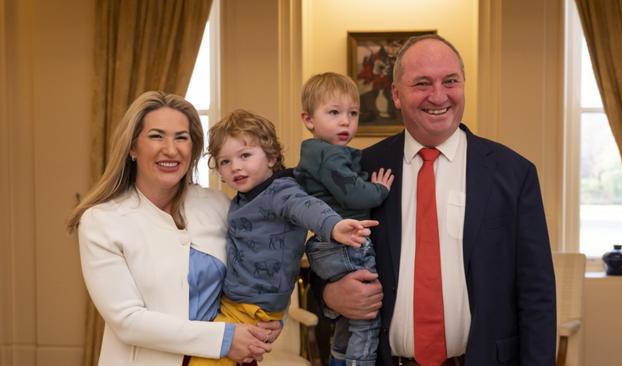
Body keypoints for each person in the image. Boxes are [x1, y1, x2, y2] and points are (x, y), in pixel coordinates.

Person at [319, 34, 557, 366]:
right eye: (422, 83)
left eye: (450, 81)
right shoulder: (360, 170)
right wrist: (330, 296)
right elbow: (321, 258)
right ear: (396, 95)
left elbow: (538, 294)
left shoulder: (514, 174)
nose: (438, 95)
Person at [67, 91, 280, 366]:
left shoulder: (219, 206)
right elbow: (127, 321)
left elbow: (267, 257)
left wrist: (271, 317)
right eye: (156, 136)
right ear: (132, 148)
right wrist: (225, 339)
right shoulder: (101, 221)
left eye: (181, 137)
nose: (171, 149)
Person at [189, 109, 379, 366]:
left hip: (252, 308)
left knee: (203, 361)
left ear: (271, 158)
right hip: (236, 303)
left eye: (245, 155)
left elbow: (306, 207)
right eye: (225, 161)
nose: (236, 167)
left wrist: (334, 226)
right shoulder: (241, 199)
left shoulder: (281, 191)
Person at [293, 72, 394, 366]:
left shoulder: (319, 153)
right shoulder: (329, 156)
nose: (345, 121)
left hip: (326, 246)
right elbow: (353, 194)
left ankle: (339, 357)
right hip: (347, 244)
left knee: (348, 319)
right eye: (334, 112)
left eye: (353, 113)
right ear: (309, 119)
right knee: (367, 314)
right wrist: (380, 189)